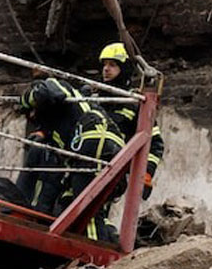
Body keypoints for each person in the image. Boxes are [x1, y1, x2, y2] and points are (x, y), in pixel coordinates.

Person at [18, 77, 126, 242]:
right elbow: (55, 179)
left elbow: (52, 91)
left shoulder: (58, 85)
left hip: (94, 137)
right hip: (99, 144)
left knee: (86, 207)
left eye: (32, 112)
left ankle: (93, 258)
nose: (33, 117)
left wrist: (26, 98)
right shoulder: (57, 130)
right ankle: (108, 240)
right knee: (70, 201)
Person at [97, 42, 164, 199]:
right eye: (104, 65)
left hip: (109, 172)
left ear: (125, 69)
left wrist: (146, 174)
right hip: (81, 167)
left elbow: (155, 143)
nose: (106, 69)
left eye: (112, 65)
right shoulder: (91, 98)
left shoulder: (134, 104)